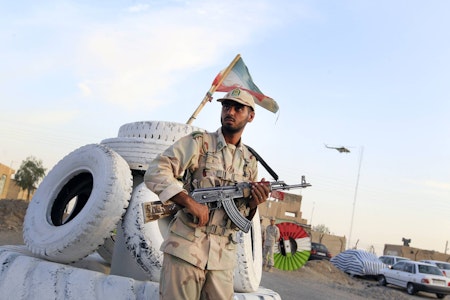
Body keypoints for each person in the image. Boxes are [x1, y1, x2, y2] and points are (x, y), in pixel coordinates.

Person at [144, 88, 270, 300]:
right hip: (186, 249)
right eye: (226, 106)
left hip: (222, 260)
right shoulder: (199, 142)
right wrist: (187, 201)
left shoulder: (250, 161)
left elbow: (242, 215)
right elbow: (156, 170)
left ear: (251, 116)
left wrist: (255, 203)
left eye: (238, 108)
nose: (230, 112)